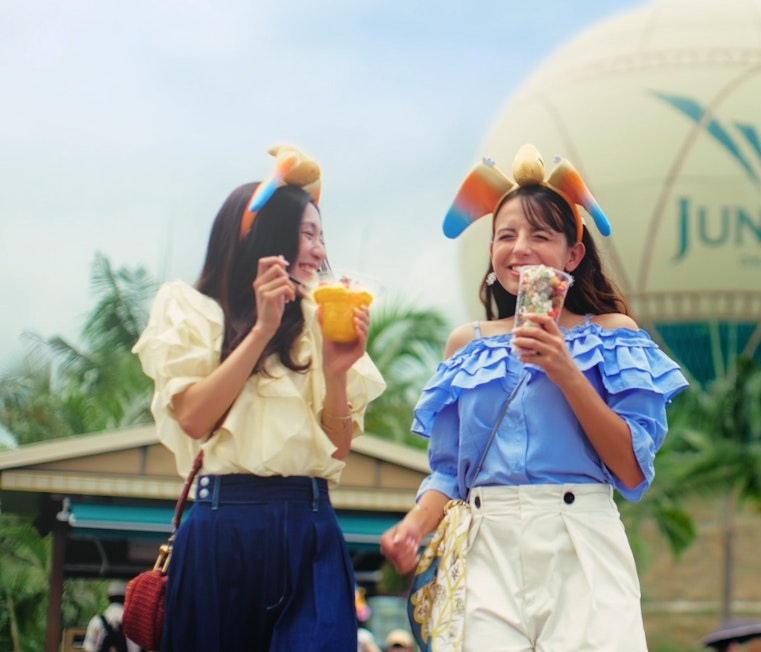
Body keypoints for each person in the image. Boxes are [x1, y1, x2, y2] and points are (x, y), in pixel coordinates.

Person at [380, 144, 689, 650]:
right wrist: (414, 527)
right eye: (506, 235)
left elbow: (633, 470)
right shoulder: (466, 344)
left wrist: (565, 368)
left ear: (574, 254)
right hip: (485, 546)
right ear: (491, 253)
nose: (520, 247)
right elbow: (447, 472)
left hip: (580, 540)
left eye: (540, 235)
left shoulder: (614, 335)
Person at [133, 145, 386, 651]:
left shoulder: (321, 319)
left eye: (321, 235)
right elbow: (193, 418)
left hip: (310, 523)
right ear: (264, 237)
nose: (319, 250)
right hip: (222, 526)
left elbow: (335, 452)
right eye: (307, 233)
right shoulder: (191, 309)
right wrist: (261, 330)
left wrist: (337, 372)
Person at [82, 581, 141, 652]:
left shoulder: (96, 621)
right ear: (125, 598)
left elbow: (88, 647)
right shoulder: (133, 622)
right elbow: (136, 649)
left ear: (108, 598)